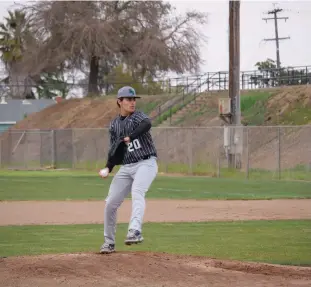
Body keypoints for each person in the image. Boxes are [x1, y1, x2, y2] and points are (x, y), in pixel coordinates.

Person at [99, 86, 158, 254]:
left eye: (133, 99)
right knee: (110, 203)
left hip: (146, 163)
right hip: (127, 166)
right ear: (119, 101)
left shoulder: (137, 117)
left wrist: (130, 137)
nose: (132, 102)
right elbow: (115, 150)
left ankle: (135, 231)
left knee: (137, 191)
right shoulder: (114, 125)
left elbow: (147, 124)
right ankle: (109, 243)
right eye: (128, 99)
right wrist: (108, 167)